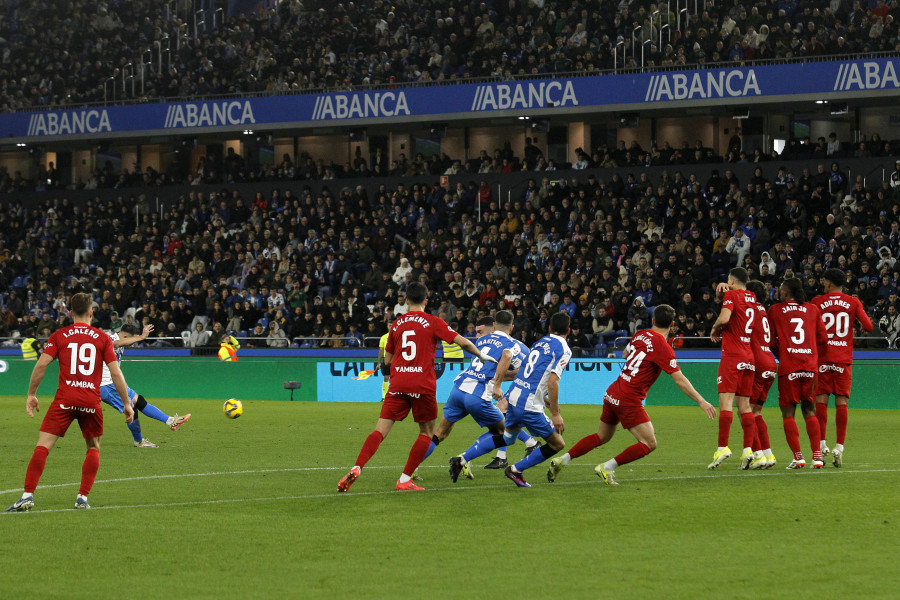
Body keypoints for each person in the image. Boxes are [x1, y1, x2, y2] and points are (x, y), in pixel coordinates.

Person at [337, 282, 497, 492]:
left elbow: (388, 360)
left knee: (380, 431)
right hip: (422, 384)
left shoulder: (396, 324)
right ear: (426, 300)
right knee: (427, 432)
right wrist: (481, 354)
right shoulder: (432, 321)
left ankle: (357, 467)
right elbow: (462, 342)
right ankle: (404, 479)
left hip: (398, 383)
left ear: (406, 301)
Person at [547, 304, 716, 485]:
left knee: (602, 436)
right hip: (629, 398)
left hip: (613, 391)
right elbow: (679, 379)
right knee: (649, 443)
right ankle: (607, 467)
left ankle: (561, 460)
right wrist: (701, 401)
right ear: (673, 324)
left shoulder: (640, 334)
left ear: (652, 320)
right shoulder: (663, 348)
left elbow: (626, 354)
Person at [7, 292, 133, 512]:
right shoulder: (103, 338)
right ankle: (82, 498)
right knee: (93, 447)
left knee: (43, 445)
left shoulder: (59, 336)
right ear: (92, 312)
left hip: (64, 399)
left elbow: (41, 365)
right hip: (90, 400)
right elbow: (115, 374)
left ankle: (27, 495)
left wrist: (31, 394)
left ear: (71, 312)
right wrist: (126, 403)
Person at [449, 312, 572, 488]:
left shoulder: (540, 342)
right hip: (529, 404)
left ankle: (461, 459)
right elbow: (553, 383)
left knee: (507, 438)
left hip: (514, 396)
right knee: (557, 444)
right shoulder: (564, 350)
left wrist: (543, 398)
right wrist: (555, 413)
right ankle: (515, 470)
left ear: (550, 328)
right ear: (568, 331)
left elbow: (528, 374)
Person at [422, 312, 537, 477]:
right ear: (512, 328)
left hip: (459, 389)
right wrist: (499, 384)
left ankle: (411, 470)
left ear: (494, 326)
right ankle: (463, 459)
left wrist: (503, 375)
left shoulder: (481, 340)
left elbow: (494, 367)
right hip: (477, 395)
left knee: (440, 433)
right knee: (505, 433)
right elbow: (506, 356)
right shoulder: (513, 344)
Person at [811, 268, 873, 467]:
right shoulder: (853, 302)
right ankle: (839, 446)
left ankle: (821, 444)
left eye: (824, 281)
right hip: (843, 359)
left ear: (829, 284)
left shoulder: (818, 302)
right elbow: (869, 327)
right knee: (842, 403)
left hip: (823, 358)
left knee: (820, 400)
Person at [767, 277, 827, 469]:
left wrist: (783, 355)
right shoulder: (813, 309)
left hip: (789, 367)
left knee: (788, 413)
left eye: (780, 289)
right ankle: (817, 457)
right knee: (810, 410)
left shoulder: (775, 310)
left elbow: (771, 342)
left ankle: (798, 457)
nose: (778, 292)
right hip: (810, 366)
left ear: (785, 293)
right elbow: (823, 338)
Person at [100, 323, 192, 448]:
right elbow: (115, 344)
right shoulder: (111, 340)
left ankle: (171, 421)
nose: (132, 344)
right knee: (131, 408)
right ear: (126, 336)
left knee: (139, 400)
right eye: (131, 340)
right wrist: (142, 337)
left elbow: (114, 366)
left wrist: (123, 384)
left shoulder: (119, 344)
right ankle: (139, 441)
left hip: (112, 383)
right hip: (106, 385)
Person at [708, 267, 758, 469]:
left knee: (726, 401)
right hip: (749, 356)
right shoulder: (752, 296)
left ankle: (723, 447)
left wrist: (714, 328)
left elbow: (725, 318)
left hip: (733, 355)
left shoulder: (731, 294)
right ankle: (748, 450)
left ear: (731, 280)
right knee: (745, 405)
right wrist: (722, 294)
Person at [745, 280, 778, 469]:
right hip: (770, 363)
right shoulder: (763, 311)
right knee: (756, 411)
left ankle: (758, 455)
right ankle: (768, 454)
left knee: (745, 411)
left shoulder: (750, 311)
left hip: (757, 363)